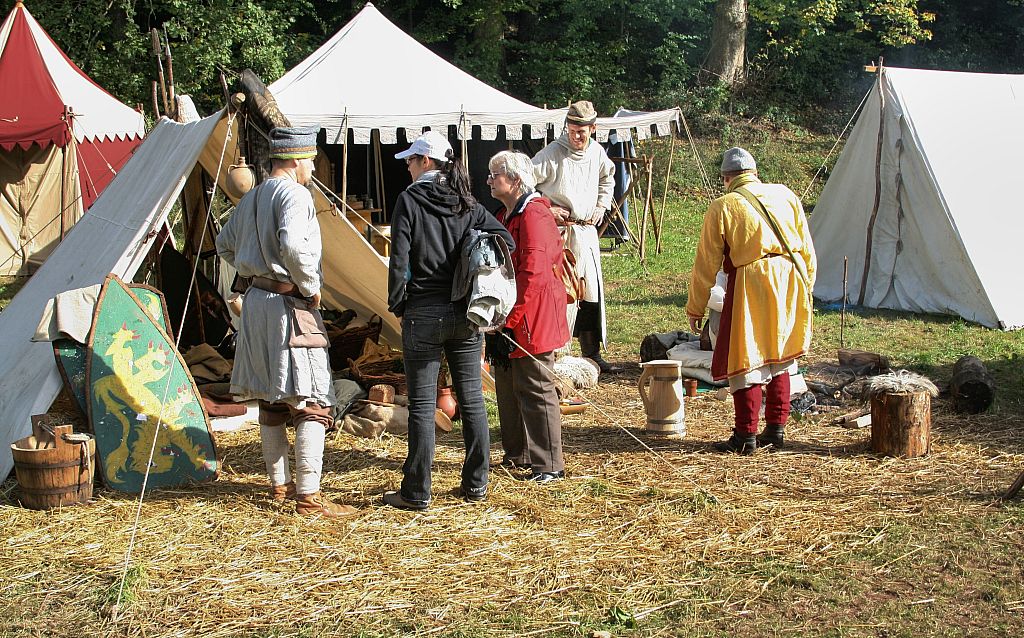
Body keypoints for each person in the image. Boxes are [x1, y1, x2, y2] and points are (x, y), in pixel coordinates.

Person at [216, 126, 356, 517]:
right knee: (313, 398)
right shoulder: (294, 193)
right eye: (311, 161)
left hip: (257, 305)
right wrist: (309, 285)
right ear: (295, 160)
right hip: (288, 306)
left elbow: (225, 244)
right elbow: (294, 246)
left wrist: (252, 272)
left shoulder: (252, 196)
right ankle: (308, 496)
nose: (313, 168)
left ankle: (280, 485)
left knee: (272, 397)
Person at [384, 131, 514, 510]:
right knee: (471, 398)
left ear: (426, 162)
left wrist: (398, 304)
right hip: (465, 313)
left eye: (411, 160)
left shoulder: (410, 200)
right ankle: (477, 485)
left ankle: (417, 492)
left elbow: (400, 259)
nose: (407, 166)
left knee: (423, 406)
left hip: (423, 310)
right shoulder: (467, 202)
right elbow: (504, 238)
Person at [686, 147, 817, 455]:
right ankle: (776, 430)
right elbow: (807, 249)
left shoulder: (724, 205)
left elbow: (706, 263)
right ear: (755, 173)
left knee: (747, 356)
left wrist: (696, 305)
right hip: (790, 278)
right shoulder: (785, 194)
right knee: (779, 355)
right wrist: (805, 286)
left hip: (753, 280)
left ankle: (745, 436)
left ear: (727, 178)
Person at [487, 151, 570, 483]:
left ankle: (549, 464)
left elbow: (533, 274)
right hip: (513, 315)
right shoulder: (511, 213)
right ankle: (519, 454)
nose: (490, 180)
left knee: (536, 389)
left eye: (495, 175)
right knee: (509, 387)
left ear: (516, 179)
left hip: (532, 316)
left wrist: (511, 319)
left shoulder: (534, 214)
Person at [532, 100, 619, 374]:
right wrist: (547, 207)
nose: (576, 136)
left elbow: (608, 179)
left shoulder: (596, 153)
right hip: (560, 234)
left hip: (586, 233)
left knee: (590, 294)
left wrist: (601, 206)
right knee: (562, 293)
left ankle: (592, 354)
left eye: (582, 131)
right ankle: (557, 353)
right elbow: (523, 182)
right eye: (572, 130)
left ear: (592, 128)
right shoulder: (552, 153)